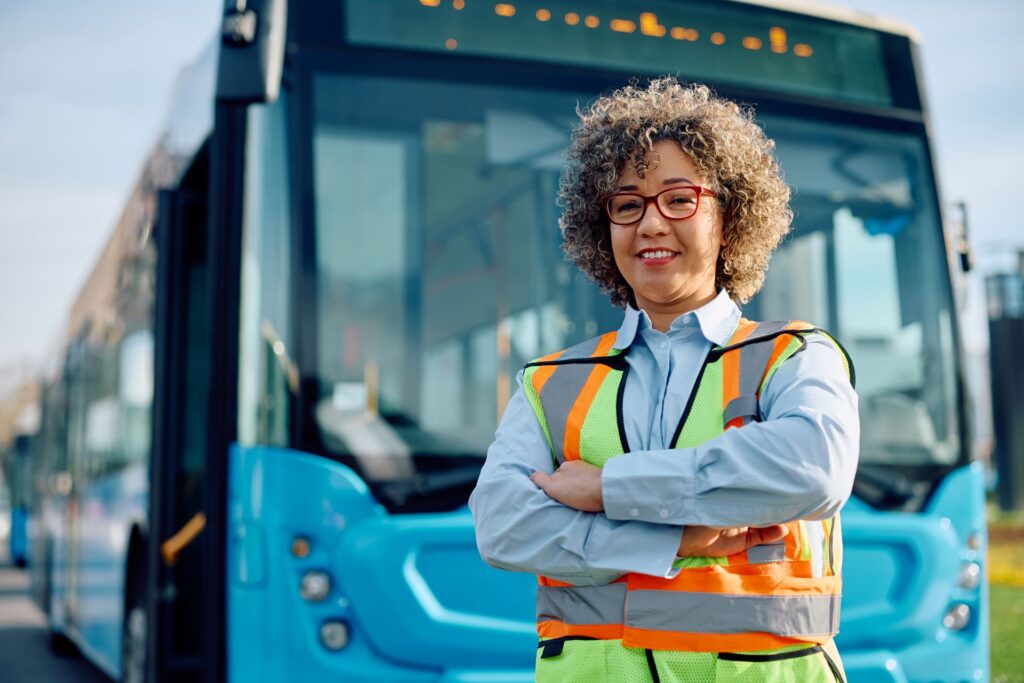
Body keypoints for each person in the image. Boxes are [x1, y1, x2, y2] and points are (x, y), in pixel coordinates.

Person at [469, 77, 859, 682]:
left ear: (728, 218)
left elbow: (810, 470)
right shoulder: (550, 383)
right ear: (605, 230)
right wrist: (678, 541)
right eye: (627, 205)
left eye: (679, 199)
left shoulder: (795, 355)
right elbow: (502, 526)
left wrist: (608, 489)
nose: (650, 224)